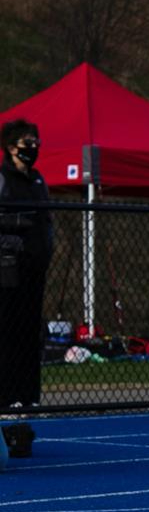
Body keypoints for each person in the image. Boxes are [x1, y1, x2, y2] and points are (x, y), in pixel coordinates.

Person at [0, 119, 52, 458]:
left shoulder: (38, 180)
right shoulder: (3, 179)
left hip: (35, 269)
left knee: (29, 336)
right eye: (25, 142)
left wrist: (45, 247)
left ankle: (24, 400)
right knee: (7, 332)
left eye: (35, 140)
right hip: (7, 269)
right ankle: (6, 401)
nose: (31, 147)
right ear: (10, 146)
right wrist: (16, 234)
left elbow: (48, 220)